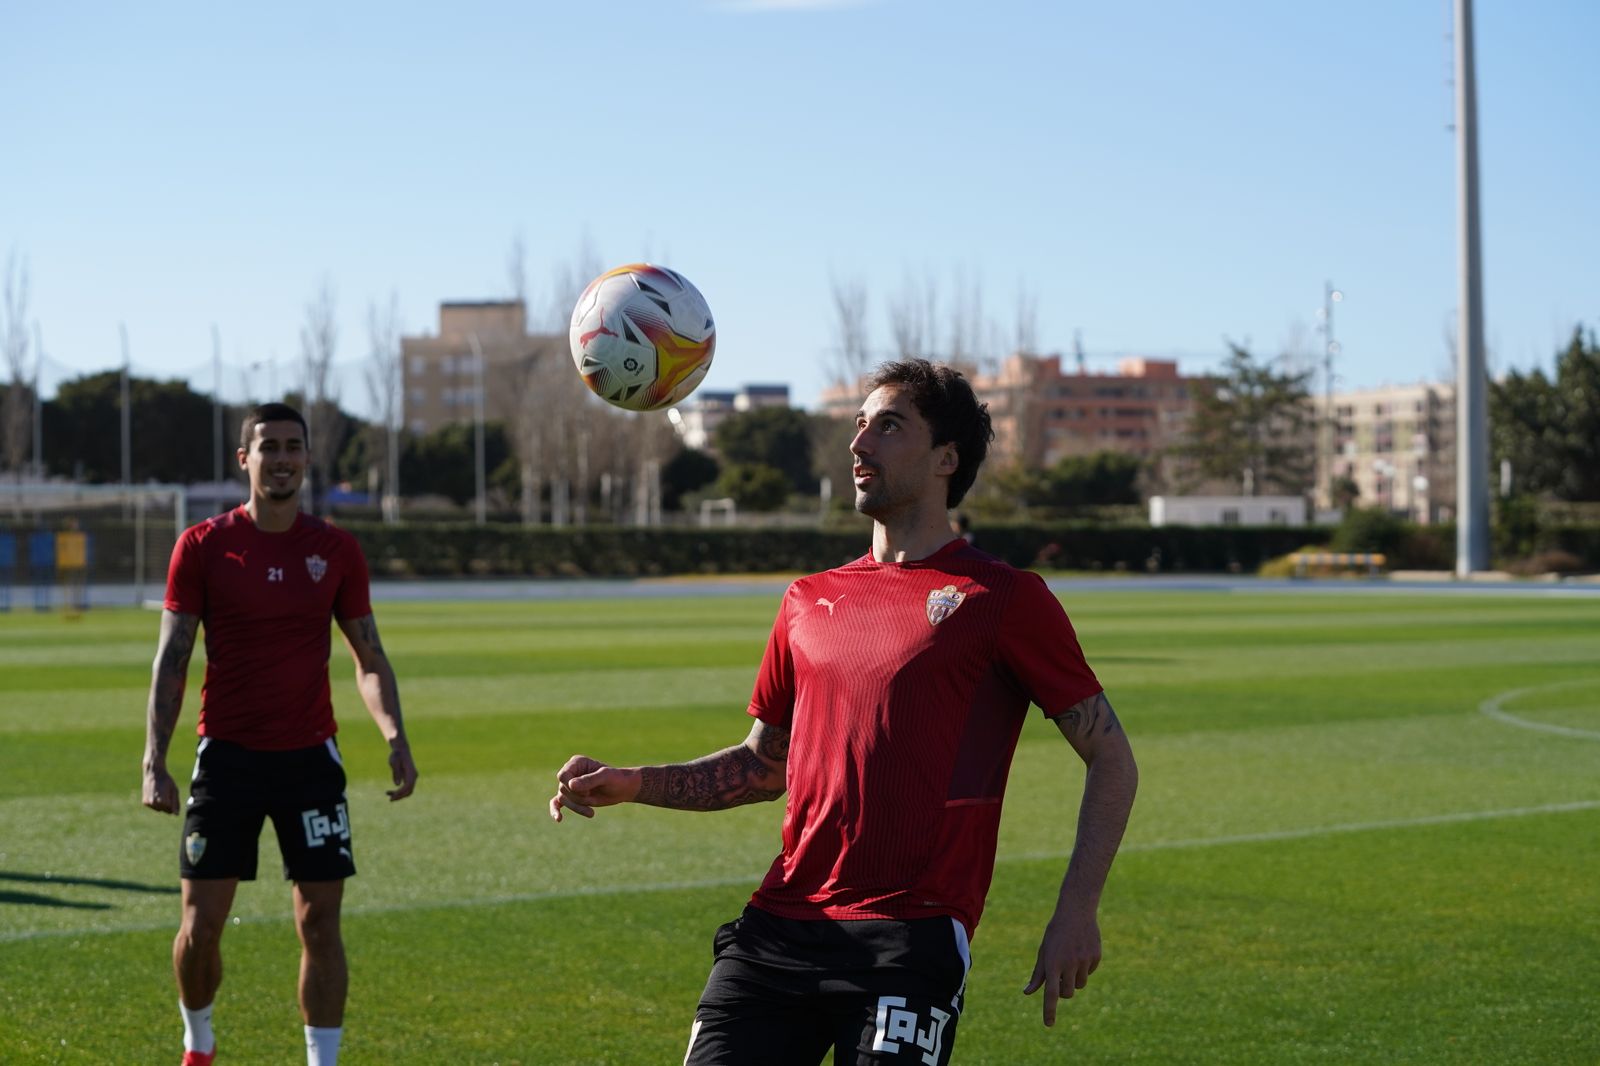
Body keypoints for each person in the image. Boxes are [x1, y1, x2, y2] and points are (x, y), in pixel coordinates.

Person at [550, 359, 1137, 1065]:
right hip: (779, 929)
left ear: (947, 458)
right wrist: (633, 782)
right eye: (859, 426)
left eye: (888, 426)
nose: (860, 444)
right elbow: (765, 767)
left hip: (908, 939)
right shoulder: (808, 599)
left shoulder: (1002, 599)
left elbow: (1112, 757)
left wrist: (1077, 909)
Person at [141, 402, 418, 1066]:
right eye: (269, 446)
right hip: (227, 759)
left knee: (319, 924)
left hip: (309, 763)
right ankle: (198, 1044)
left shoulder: (336, 550)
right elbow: (173, 657)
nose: (284, 457)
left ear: (307, 459)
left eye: (294, 446)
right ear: (246, 459)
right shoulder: (203, 546)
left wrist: (394, 736)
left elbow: (368, 657)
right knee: (200, 929)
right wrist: (155, 760)